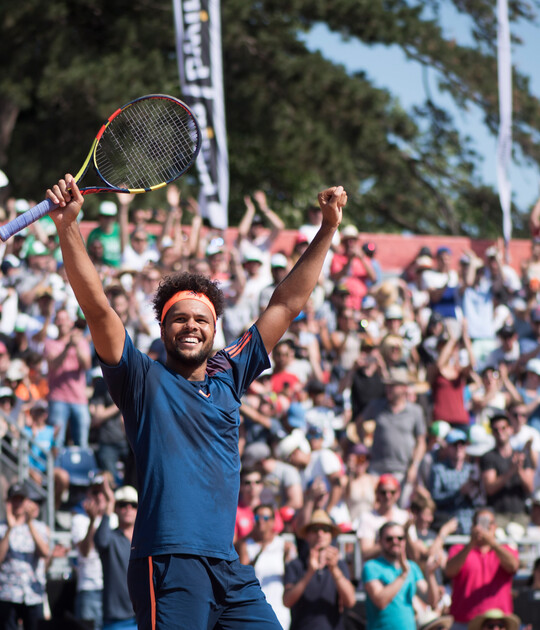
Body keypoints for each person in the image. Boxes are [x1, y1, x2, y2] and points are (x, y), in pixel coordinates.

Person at [46, 176, 347, 630]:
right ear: (163, 328)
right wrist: (68, 227)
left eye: (201, 319)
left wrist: (326, 229)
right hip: (166, 560)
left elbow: (286, 304)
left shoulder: (231, 372)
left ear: (215, 328)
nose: (191, 326)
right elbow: (98, 308)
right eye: (179, 318)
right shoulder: (140, 378)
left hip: (228, 567)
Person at [444, 508, 519, 629]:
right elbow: (450, 571)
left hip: (496, 624)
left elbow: (513, 566)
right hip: (464, 622)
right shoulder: (459, 549)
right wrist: (471, 543)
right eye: (480, 523)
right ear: (473, 526)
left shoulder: (506, 549)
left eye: (488, 523)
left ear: (495, 527)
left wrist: (492, 543)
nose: (484, 528)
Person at [283, 510, 356, 630]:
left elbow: (350, 601)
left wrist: (334, 569)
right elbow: (287, 601)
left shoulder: (339, 565)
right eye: (315, 529)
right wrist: (309, 572)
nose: (320, 534)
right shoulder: (296, 565)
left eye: (326, 530)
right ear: (307, 535)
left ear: (331, 536)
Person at [362, 521, 440, 630]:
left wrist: (430, 575)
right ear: (379, 542)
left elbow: (432, 602)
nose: (395, 542)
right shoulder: (371, 566)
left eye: (400, 538)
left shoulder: (412, 567)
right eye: (389, 539)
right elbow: (380, 601)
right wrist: (403, 575)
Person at [0, 482, 50, 630]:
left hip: (33, 594)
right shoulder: (2, 528)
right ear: (8, 502)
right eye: (14, 500)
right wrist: (10, 528)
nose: (17, 504)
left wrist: (29, 523)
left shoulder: (39, 527)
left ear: (27, 502)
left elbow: (45, 552)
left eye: (21, 500)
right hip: (8, 594)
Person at [238, 504, 293, 630]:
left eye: (266, 517)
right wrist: (260, 551)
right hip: (253, 609)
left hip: (278, 610)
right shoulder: (246, 546)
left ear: (273, 521)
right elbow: (244, 573)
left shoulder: (283, 545)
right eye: (257, 517)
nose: (261, 521)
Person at [94, 483, 138, 630]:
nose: (128, 509)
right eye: (122, 504)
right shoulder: (111, 537)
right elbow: (100, 540)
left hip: (143, 615)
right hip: (116, 619)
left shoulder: (145, 539)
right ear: (116, 509)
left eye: (133, 505)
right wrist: (108, 506)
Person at [480, 412, 534, 528]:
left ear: (510, 429)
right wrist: (511, 471)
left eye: (503, 428)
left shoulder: (522, 456)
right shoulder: (488, 457)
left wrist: (519, 469)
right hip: (497, 515)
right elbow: (490, 488)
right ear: (492, 432)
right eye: (496, 429)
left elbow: (529, 487)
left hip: (520, 514)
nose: (500, 432)